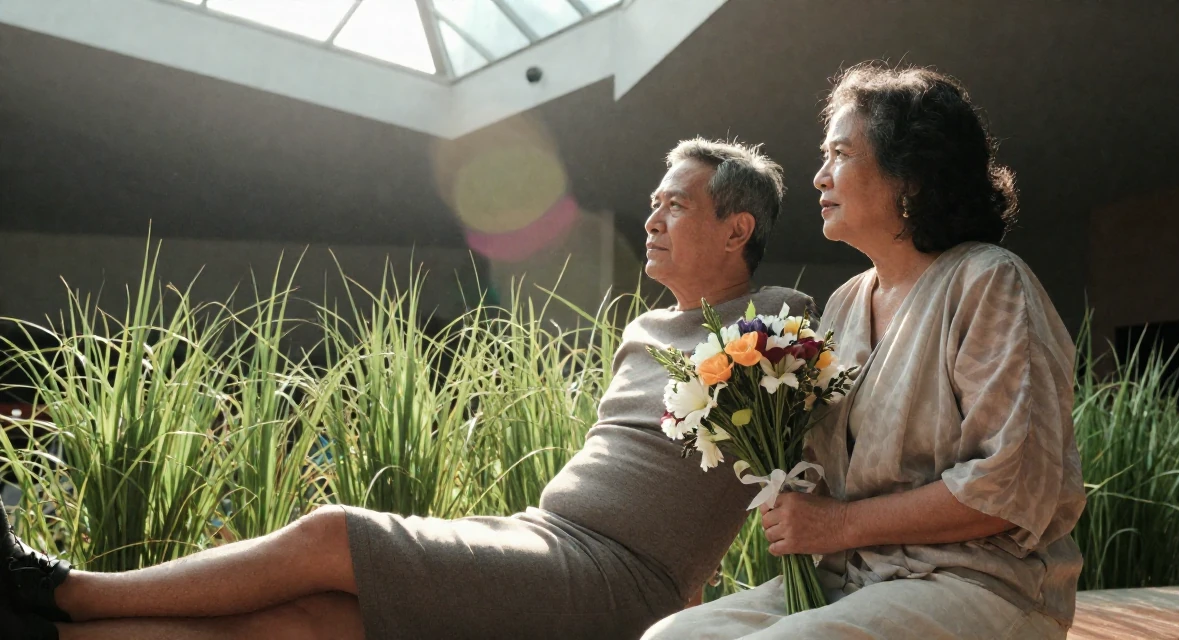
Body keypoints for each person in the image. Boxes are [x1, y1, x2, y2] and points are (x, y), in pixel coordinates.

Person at [0, 138, 813, 640]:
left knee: (329, 534)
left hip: (612, 578)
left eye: (674, 205)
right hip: (544, 537)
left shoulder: (780, 324)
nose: (652, 220)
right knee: (304, 626)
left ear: (738, 228)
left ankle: (64, 591)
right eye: (652, 204)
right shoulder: (644, 332)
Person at [643, 63, 1087, 640]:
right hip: (849, 580)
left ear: (911, 177)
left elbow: (1010, 490)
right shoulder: (846, 304)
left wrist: (838, 525)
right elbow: (825, 478)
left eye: (841, 155)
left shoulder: (989, 282)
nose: (820, 178)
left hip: (981, 583)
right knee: (670, 637)